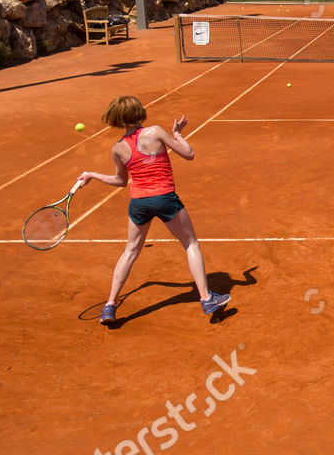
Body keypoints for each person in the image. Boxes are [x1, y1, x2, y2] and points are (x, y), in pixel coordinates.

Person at [76, 96, 231, 325]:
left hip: (139, 204)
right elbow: (188, 154)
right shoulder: (156, 132)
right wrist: (177, 134)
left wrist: (91, 174)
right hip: (165, 199)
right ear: (139, 112)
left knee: (130, 250)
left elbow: (120, 181)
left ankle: (109, 306)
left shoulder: (117, 148)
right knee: (190, 243)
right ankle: (207, 298)